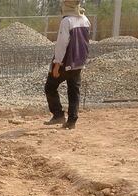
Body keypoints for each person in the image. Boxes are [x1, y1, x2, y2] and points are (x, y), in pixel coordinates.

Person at [44, 0, 91, 130]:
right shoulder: (85, 20)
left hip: (65, 61)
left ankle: (58, 114)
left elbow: (62, 44)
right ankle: (71, 121)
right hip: (79, 62)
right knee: (74, 91)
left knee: (50, 87)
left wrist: (57, 64)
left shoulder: (67, 21)